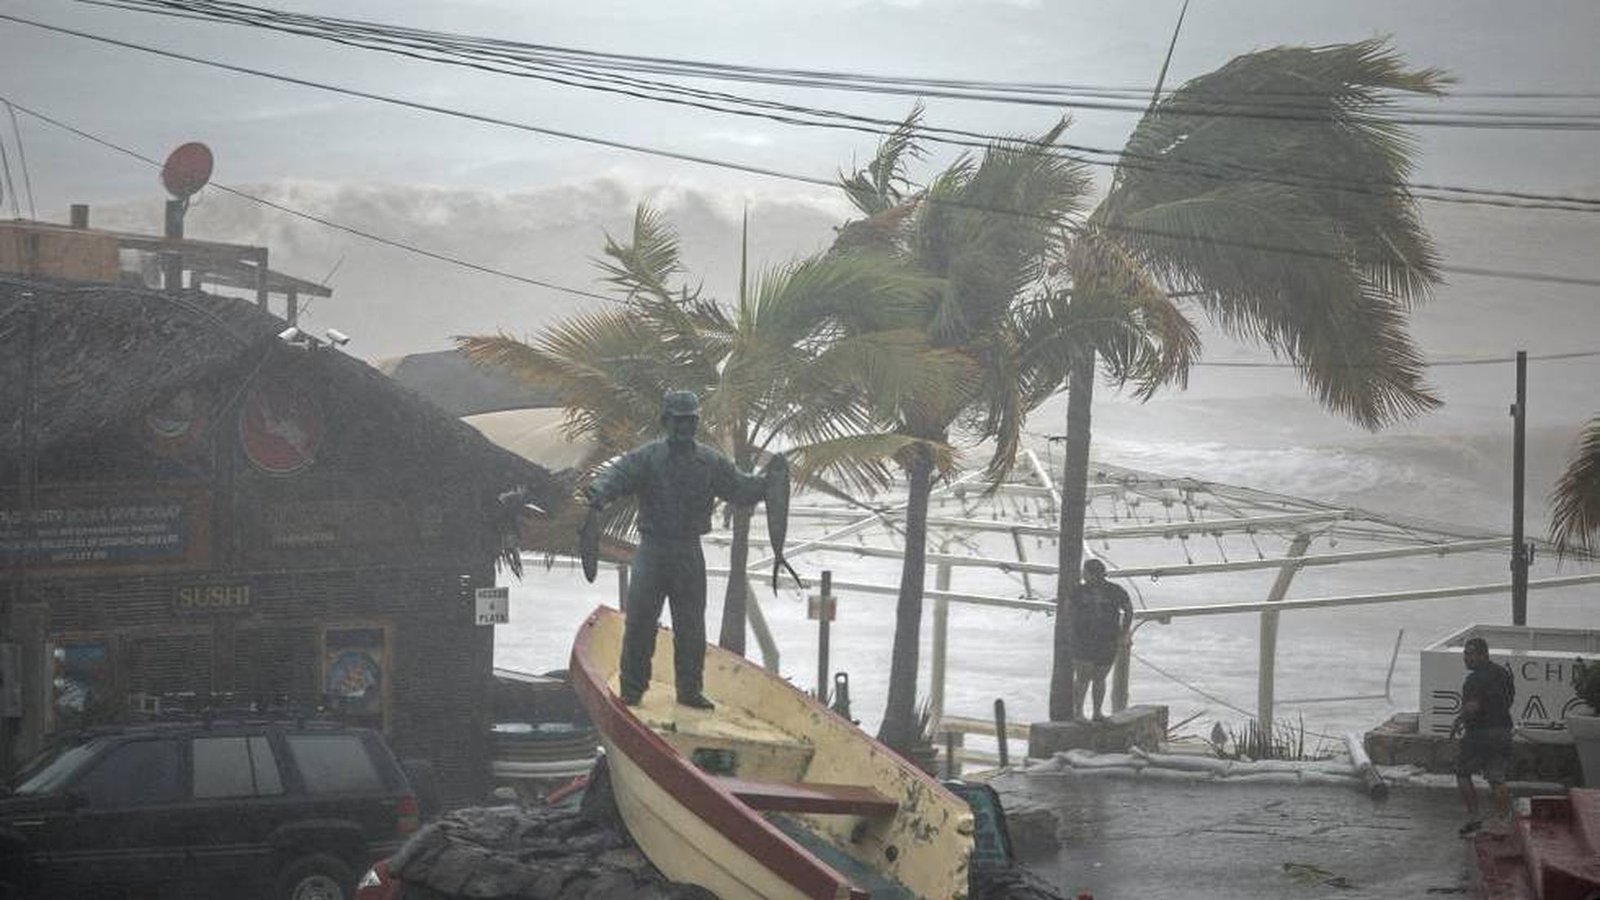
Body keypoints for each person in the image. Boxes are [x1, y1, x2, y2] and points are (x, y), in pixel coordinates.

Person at [585, 390, 779, 710]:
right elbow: (617, 476)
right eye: (677, 420)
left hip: (688, 551)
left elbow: (740, 488)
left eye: (689, 421)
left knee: (691, 628)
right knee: (640, 623)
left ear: (696, 423)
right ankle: (632, 690)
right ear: (665, 421)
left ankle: (689, 689)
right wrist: (599, 491)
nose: (683, 427)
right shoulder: (647, 458)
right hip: (653, 549)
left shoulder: (711, 462)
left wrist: (769, 482)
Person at [1451, 636, 1515, 835]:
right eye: (1465, 654)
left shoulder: (1474, 680)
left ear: (1482, 654)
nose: (1465, 658)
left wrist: (1459, 720)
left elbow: (1472, 707)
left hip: (1479, 734)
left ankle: (1474, 817)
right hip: (1503, 731)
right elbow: (1510, 699)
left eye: (1469, 654)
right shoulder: (1504, 674)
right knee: (1496, 777)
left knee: (1462, 773)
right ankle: (1504, 822)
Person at [1068, 558, 1134, 723]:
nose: (1083, 575)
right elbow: (1128, 609)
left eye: (1085, 572)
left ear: (1090, 574)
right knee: (1092, 677)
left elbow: (1068, 611)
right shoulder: (1113, 590)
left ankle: (1089, 712)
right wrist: (1124, 631)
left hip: (1098, 639)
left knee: (1091, 677)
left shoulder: (1083, 591)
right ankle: (1083, 712)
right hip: (1096, 638)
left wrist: (1124, 631)